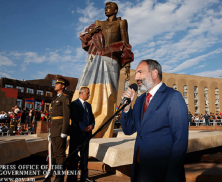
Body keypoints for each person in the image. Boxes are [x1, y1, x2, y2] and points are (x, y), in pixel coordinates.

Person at [120, 59, 188, 182]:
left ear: (154, 73)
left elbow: (180, 140)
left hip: (163, 172)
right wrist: (126, 108)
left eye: (140, 72)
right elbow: (129, 130)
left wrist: (172, 175)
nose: (136, 77)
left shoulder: (173, 96)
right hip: (140, 171)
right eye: (136, 73)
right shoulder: (140, 100)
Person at [74, 2, 133, 138]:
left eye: (109, 7)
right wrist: (93, 31)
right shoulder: (98, 23)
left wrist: (128, 64)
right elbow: (83, 37)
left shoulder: (121, 23)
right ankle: (88, 121)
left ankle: (103, 128)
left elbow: (126, 42)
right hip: (95, 60)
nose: (106, 9)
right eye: (105, 7)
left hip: (111, 61)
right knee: (92, 91)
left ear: (115, 9)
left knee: (108, 94)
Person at [67, 87, 95, 182]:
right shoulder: (74, 104)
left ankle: (84, 177)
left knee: (84, 157)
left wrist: (91, 125)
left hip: (86, 136)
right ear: (82, 93)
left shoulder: (88, 105)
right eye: (88, 93)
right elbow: (75, 118)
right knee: (73, 157)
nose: (89, 95)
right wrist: (84, 128)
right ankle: (72, 178)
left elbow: (92, 118)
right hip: (76, 135)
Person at [50, 75, 70, 182]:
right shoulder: (56, 99)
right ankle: (58, 176)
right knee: (56, 154)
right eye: (55, 83)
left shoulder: (65, 98)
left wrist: (64, 131)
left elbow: (66, 116)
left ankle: (60, 177)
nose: (55, 85)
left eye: (57, 84)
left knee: (60, 154)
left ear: (62, 86)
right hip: (54, 130)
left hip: (60, 130)